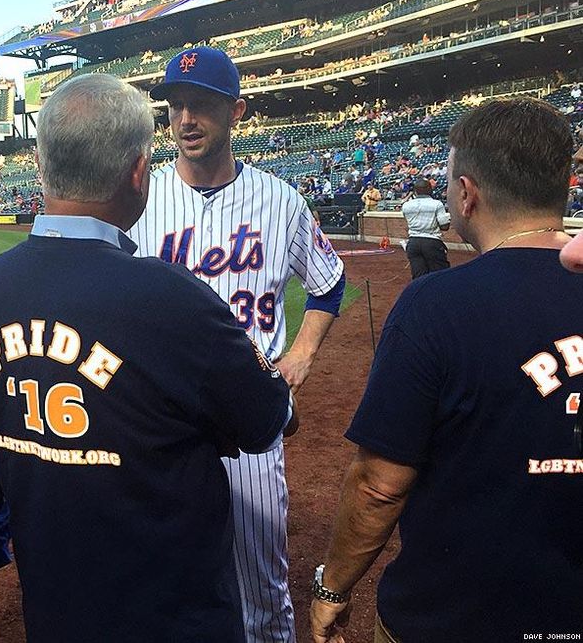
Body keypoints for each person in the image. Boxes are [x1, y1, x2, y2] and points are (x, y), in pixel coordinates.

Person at [0, 73, 291, 643]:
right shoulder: (169, 295)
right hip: (171, 616)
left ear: (41, 169)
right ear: (139, 173)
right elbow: (266, 420)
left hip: (55, 610)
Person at [310, 98, 583, 643]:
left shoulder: (434, 305)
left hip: (457, 615)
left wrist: (333, 590)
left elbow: (380, 486)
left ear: (466, 193)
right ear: (565, 186)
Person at [129, 46, 345, 643]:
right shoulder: (139, 202)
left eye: (202, 105)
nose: (186, 119)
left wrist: (299, 356)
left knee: (261, 584)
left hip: (249, 416)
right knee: (164, 575)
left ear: (237, 112)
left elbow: (329, 284)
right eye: (176, 106)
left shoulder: (280, 202)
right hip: (160, 417)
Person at [400, 178, 450, 279]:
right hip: (432, 242)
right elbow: (444, 226)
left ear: (415, 191)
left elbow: (407, 221)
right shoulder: (437, 204)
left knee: (418, 276)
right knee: (439, 275)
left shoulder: (406, 205)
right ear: (430, 189)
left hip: (413, 242)